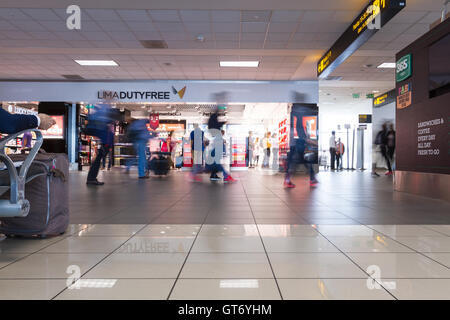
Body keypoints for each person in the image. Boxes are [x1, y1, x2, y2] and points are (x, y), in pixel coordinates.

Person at [284, 111, 318, 188]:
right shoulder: (296, 129)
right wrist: (314, 143)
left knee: (294, 164)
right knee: (303, 163)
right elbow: (303, 137)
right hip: (297, 148)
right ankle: (312, 179)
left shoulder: (292, 129)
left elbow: (302, 135)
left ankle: (287, 180)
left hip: (294, 148)